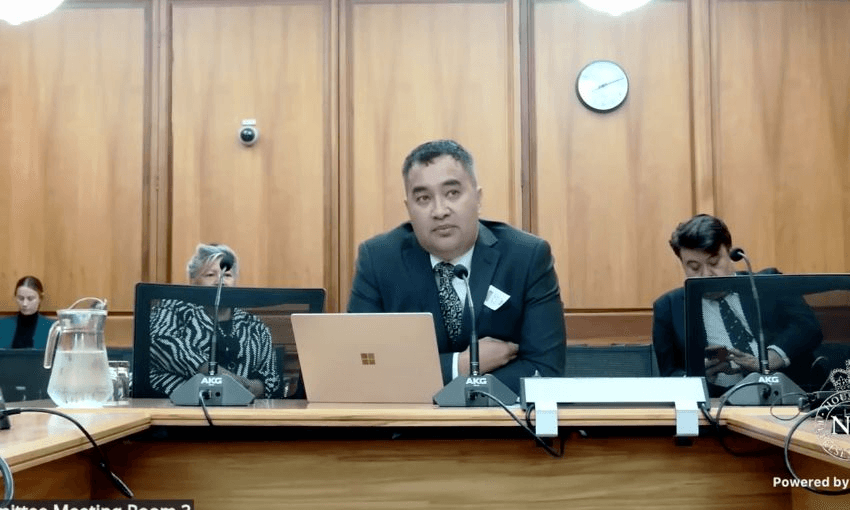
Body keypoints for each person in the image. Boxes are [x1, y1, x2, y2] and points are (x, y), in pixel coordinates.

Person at [347, 139, 566, 394]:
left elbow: (546, 371)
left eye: (452, 193)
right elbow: (360, 368)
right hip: (409, 428)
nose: (440, 211)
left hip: (501, 427)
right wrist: (459, 366)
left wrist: (444, 387)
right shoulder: (378, 260)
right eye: (423, 198)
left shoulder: (526, 257)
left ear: (478, 198)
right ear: (409, 208)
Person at [652, 214, 822, 394]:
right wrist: (698, 378)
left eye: (714, 262)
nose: (706, 274)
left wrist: (768, 360)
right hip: (718, 404)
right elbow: (669, 375)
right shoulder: (668, 308)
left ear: (730, 252)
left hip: (789, 395)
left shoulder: (767, 284)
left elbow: (808, 327)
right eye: (694, 267)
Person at [149, 244, 281, 398]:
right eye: (210, 275)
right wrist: (221, 376)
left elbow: (271, 375)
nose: (221, 281)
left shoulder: (254, 325)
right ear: (193, 281)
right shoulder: (172, 309)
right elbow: (161, 342)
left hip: (242, 410)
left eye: (227, 275)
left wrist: (248, 388)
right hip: (181, 407)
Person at [0, 276, 55, 349]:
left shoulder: (52, 328)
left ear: (40, 298)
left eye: (30, 299)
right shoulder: (2, 325)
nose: (24, 304)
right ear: (15, 297)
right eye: (20, 298)